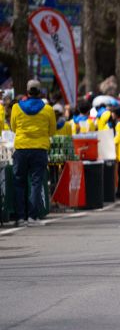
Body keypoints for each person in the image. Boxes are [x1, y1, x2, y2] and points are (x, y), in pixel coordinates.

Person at [10, 80, 56, 225]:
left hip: (21, 148)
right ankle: (32, 216)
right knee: (36, 183)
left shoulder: (16, 107)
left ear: (27, 91)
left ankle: (20, 217)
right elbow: (52, 131)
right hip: (39, 149)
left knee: (19, 183)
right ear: (40, 92)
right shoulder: (48, 109)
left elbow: (13, 127)